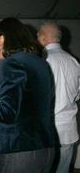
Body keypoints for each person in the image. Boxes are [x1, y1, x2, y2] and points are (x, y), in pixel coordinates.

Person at [0, 17, 57, 173]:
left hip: (20, 149)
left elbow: (6, 113)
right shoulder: (40, 62)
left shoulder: (12, 63)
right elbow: (25, 105)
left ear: (4, 37)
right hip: (45, 147)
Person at [37, 22, 80, 173]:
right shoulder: (74, 62)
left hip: (49, 130)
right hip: (69, 129)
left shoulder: (42, 63)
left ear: (43, 38)